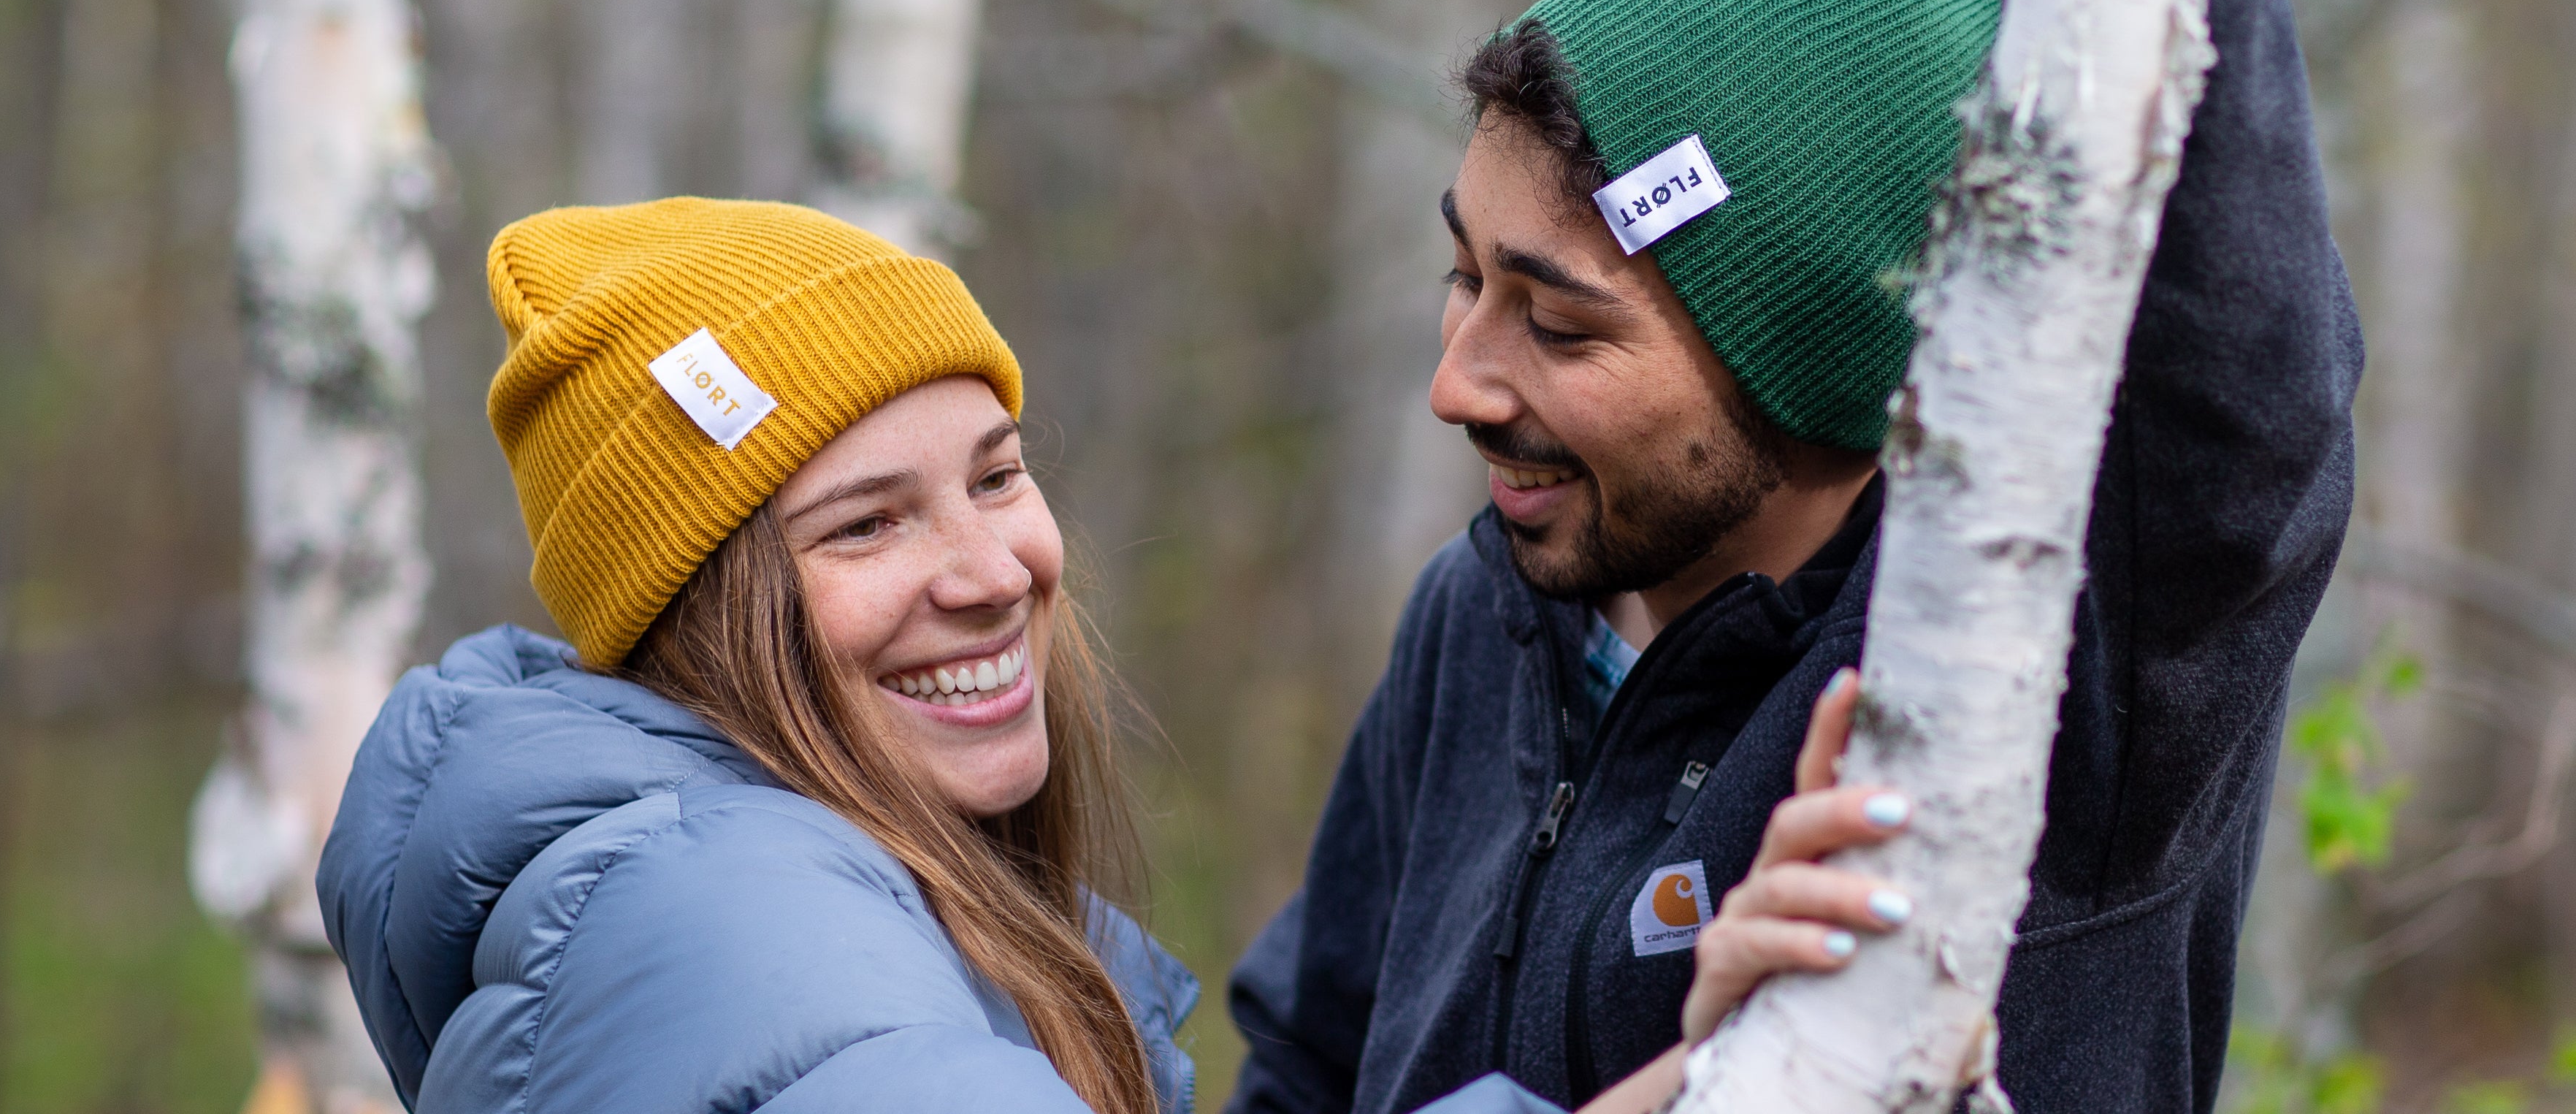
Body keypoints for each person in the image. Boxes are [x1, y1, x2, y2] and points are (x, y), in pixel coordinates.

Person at [1225, 0, 2363, 1114]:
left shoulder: (2070, 656)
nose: (1458, 379)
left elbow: (2236, 337)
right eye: (1462, 278)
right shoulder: (1487, 615)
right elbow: (1308, 1074)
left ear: (1831, 355)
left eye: (1559, 318)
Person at [316, 199, 1899, 1114]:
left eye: (997, 473)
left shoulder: (795, 888)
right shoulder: (745, 937)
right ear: (697, 615)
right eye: (866, 526)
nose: (991, 568)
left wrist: (1705, 1067)